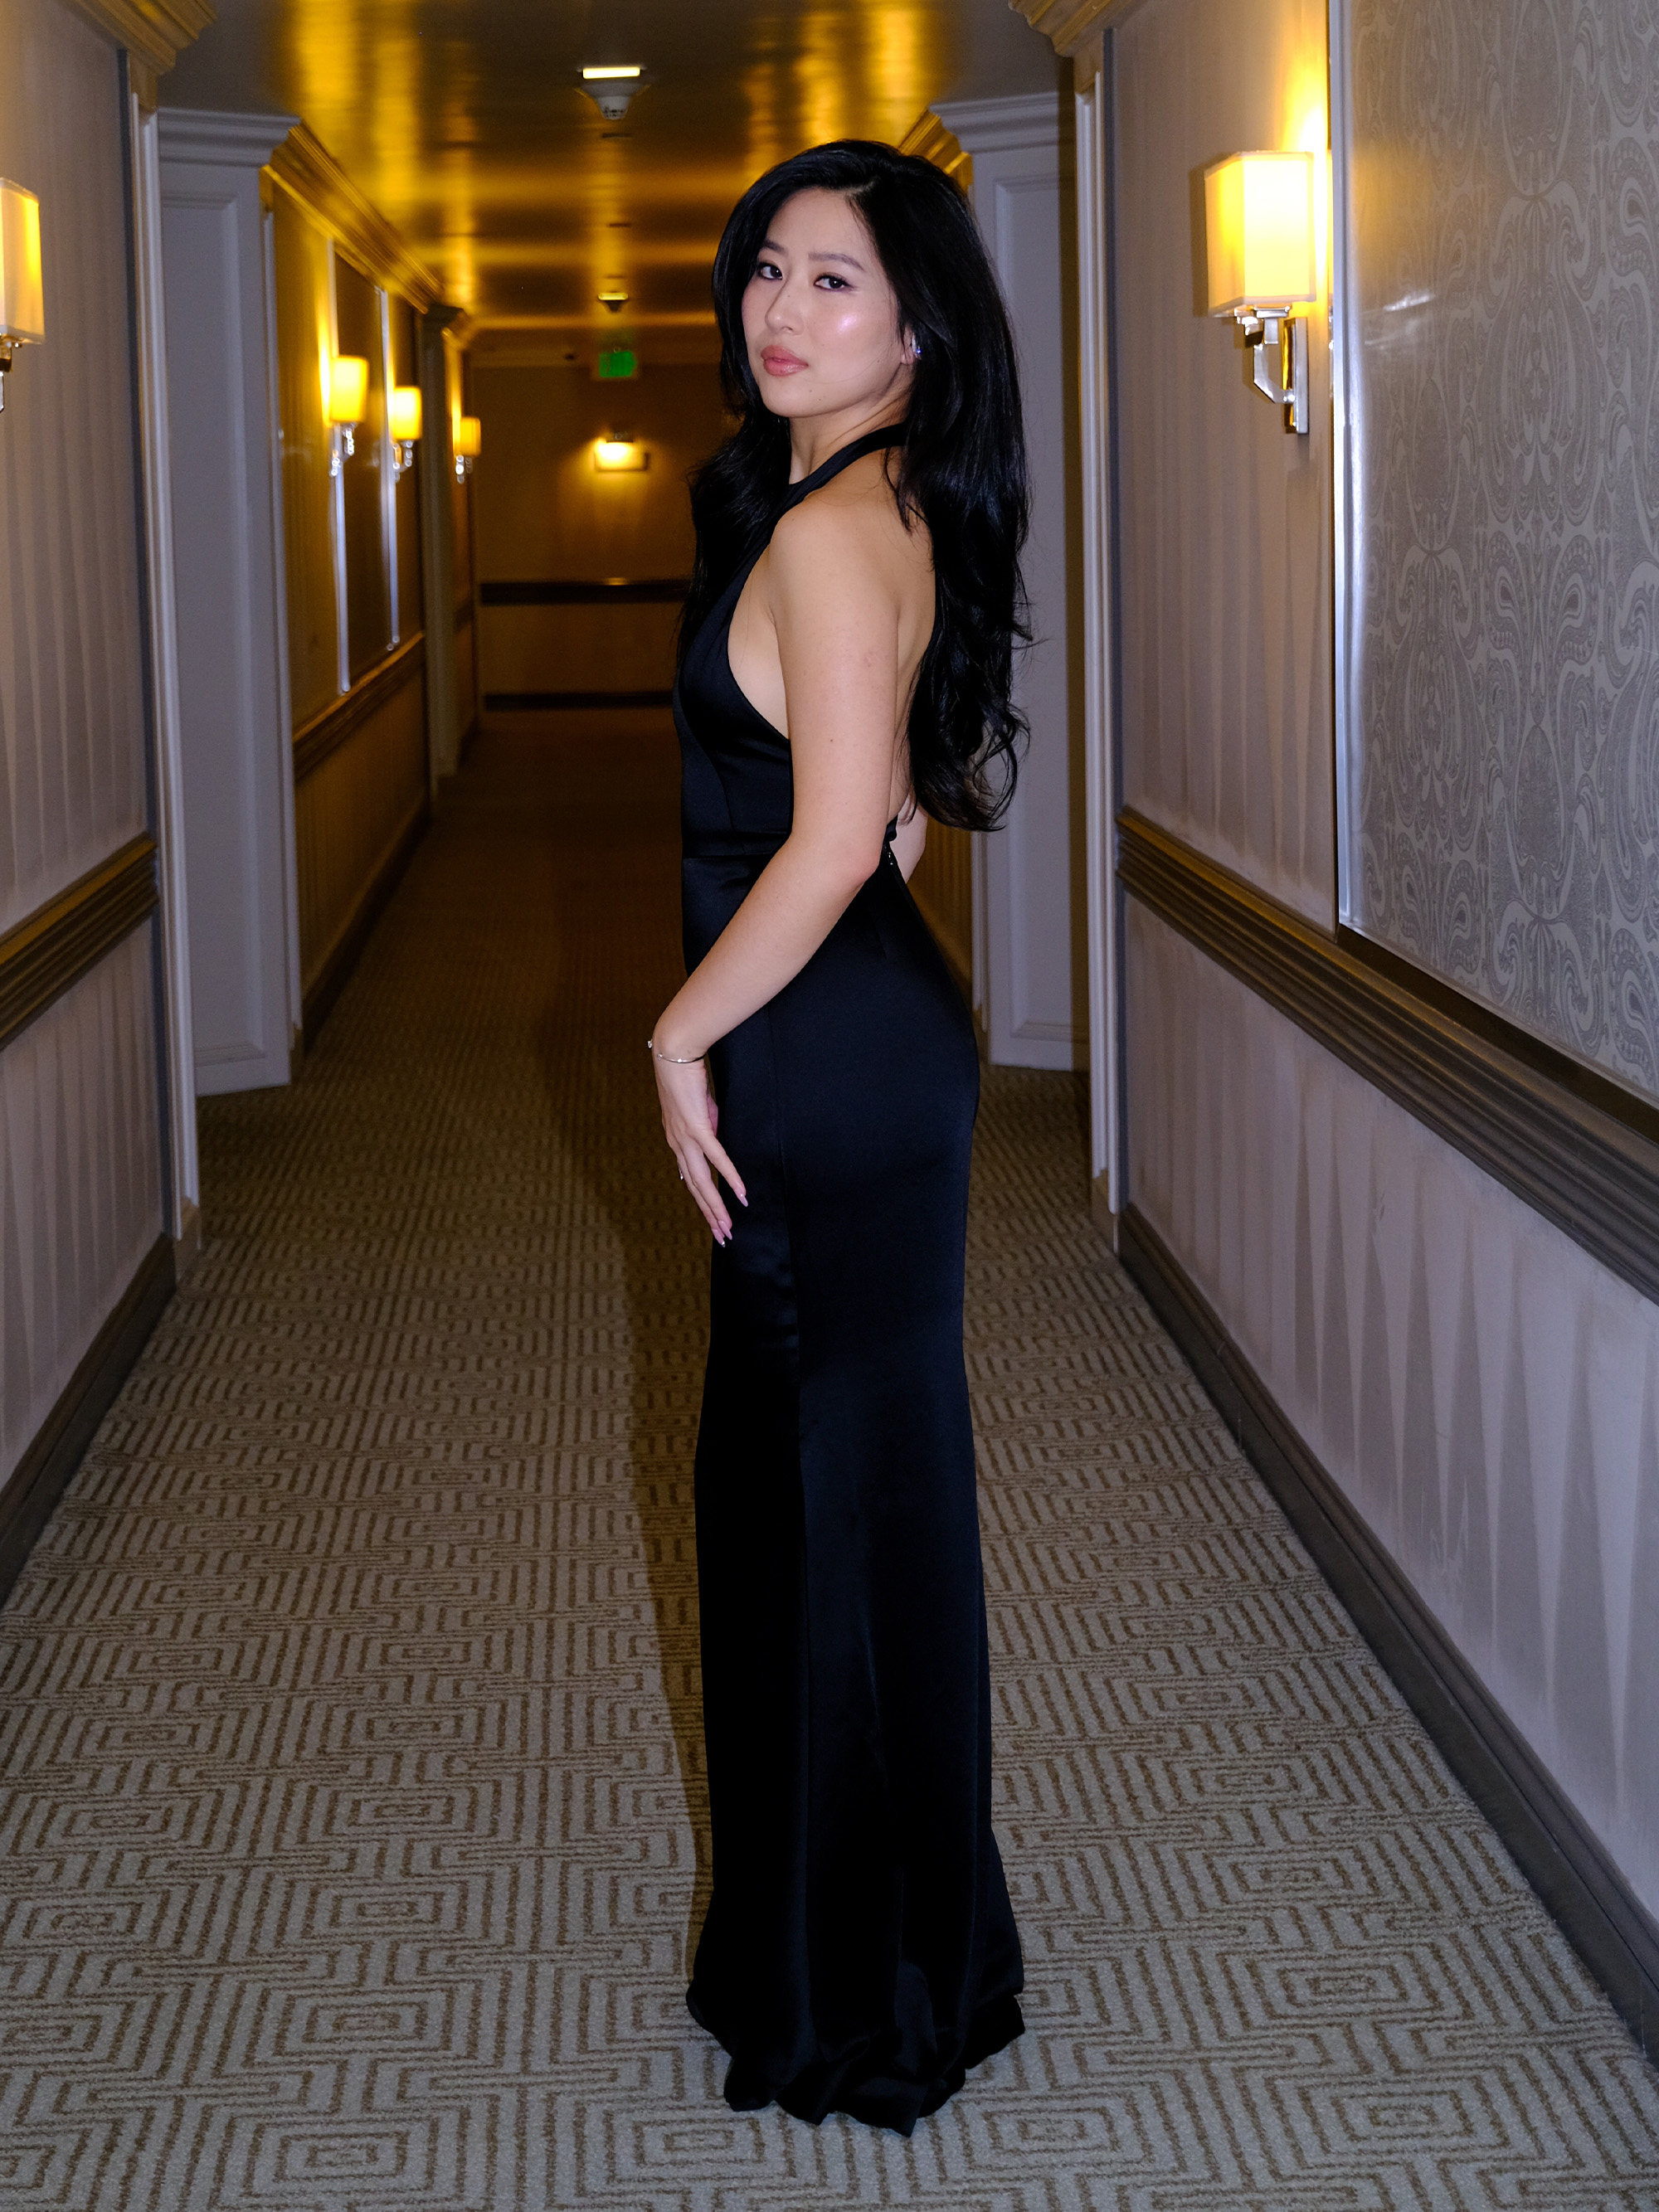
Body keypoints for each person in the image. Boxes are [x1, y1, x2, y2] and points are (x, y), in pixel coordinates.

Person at [650, 138, 1029, 2137]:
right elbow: (889, 812)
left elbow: (825, 838)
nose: (778, 315)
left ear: (914, 327)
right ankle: (887, 1946)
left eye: (831, 287)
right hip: (856, 1041)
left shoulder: (828, 524)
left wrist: (675, 1029)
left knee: (813, 1511)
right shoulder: (872, 498)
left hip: (816, 1058)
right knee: (843, 1500)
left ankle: (857, 1987)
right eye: (768, 273)